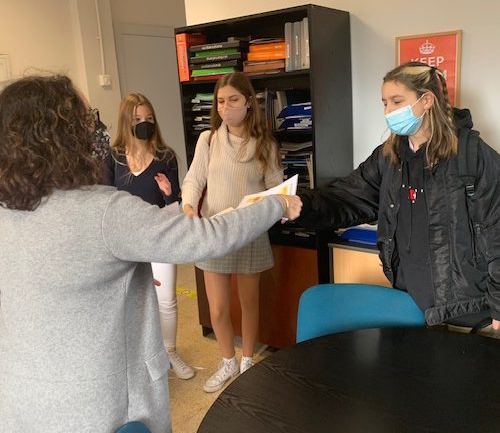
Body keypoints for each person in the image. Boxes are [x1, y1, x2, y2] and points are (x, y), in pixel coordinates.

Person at [0, 74, 302, 432]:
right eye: (87, 119)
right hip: (100, 408)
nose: (98, 130)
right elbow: (207, 237)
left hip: (19, 405)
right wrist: (275, 204)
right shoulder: (105, 212)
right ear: (63, 137)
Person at [298, 61, 500, 336]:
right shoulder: (389, 156)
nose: (388, 111)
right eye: (384, 103)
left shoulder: (471, 153)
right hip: (407, 302)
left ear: (426, 100)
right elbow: (347, 197)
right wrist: (300, 205)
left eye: (396, 101)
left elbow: (497, 227)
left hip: (470, 312)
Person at [181, 72, 284, 392]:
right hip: (215, 232)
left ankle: (247, 360)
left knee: (249, 303)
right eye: (220, 102)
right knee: (218, 308)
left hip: (250, 232)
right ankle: (227, 360)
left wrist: (277, 204)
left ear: (249, 102)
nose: (226, 108)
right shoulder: (208, 140)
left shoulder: (265, 144)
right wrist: (188, 207)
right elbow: (194, 179)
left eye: (233, 100)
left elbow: (276, 190)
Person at [103, 92, 194, 380]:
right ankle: (138, 359)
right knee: (130, 302)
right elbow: (104, 202)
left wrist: (168, 194)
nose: (144, 123)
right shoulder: (114, 158)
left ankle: (169, 351)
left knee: (166, 300)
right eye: (137, 119)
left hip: (159, 238)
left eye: (149, 118)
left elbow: (174, 208)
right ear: (126, 121)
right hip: (125, 243)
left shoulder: (166, 157)